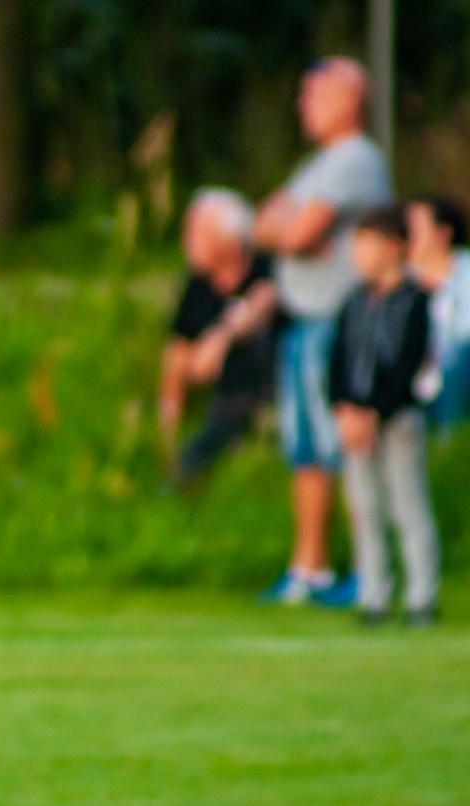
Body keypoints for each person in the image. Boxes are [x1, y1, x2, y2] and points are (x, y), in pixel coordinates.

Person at [253, 57, 392, 606]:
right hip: (303, 320)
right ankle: (309, 569)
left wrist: (293, 230)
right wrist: (289, 228)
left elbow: (294, 233)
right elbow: (265, 223)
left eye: (315, 94)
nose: (303, 105)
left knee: (345, 446)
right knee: (306, 448)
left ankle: (370, 570)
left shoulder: (356, 159)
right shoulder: (317, 165)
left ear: (350, 99)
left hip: (340, 321)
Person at [330, 204, 439, 626]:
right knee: (365, 508)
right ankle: (373, 592)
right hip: (355, 423)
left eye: (366, 244)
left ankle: (421, 596)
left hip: (396, 420)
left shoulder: (414, 301)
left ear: (393, 247)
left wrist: (376, 411)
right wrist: (345, 408)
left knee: (407, 505)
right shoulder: (355, 301)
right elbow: (338, 360)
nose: (357, 254)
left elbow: (410, 363)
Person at [158, 187, 278, 485]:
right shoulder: (197, 285)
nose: (187, 241)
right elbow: (178, 352)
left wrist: (221, 338)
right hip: (225, 393)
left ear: (230, 240)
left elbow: (262, 302)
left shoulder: (266, 268)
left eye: (197, 232)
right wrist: (167, 427)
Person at [405, 194, 470, 429]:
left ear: (442, 234)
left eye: (414, 228)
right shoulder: (402, 281)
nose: (406, 235)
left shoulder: (466, 273)